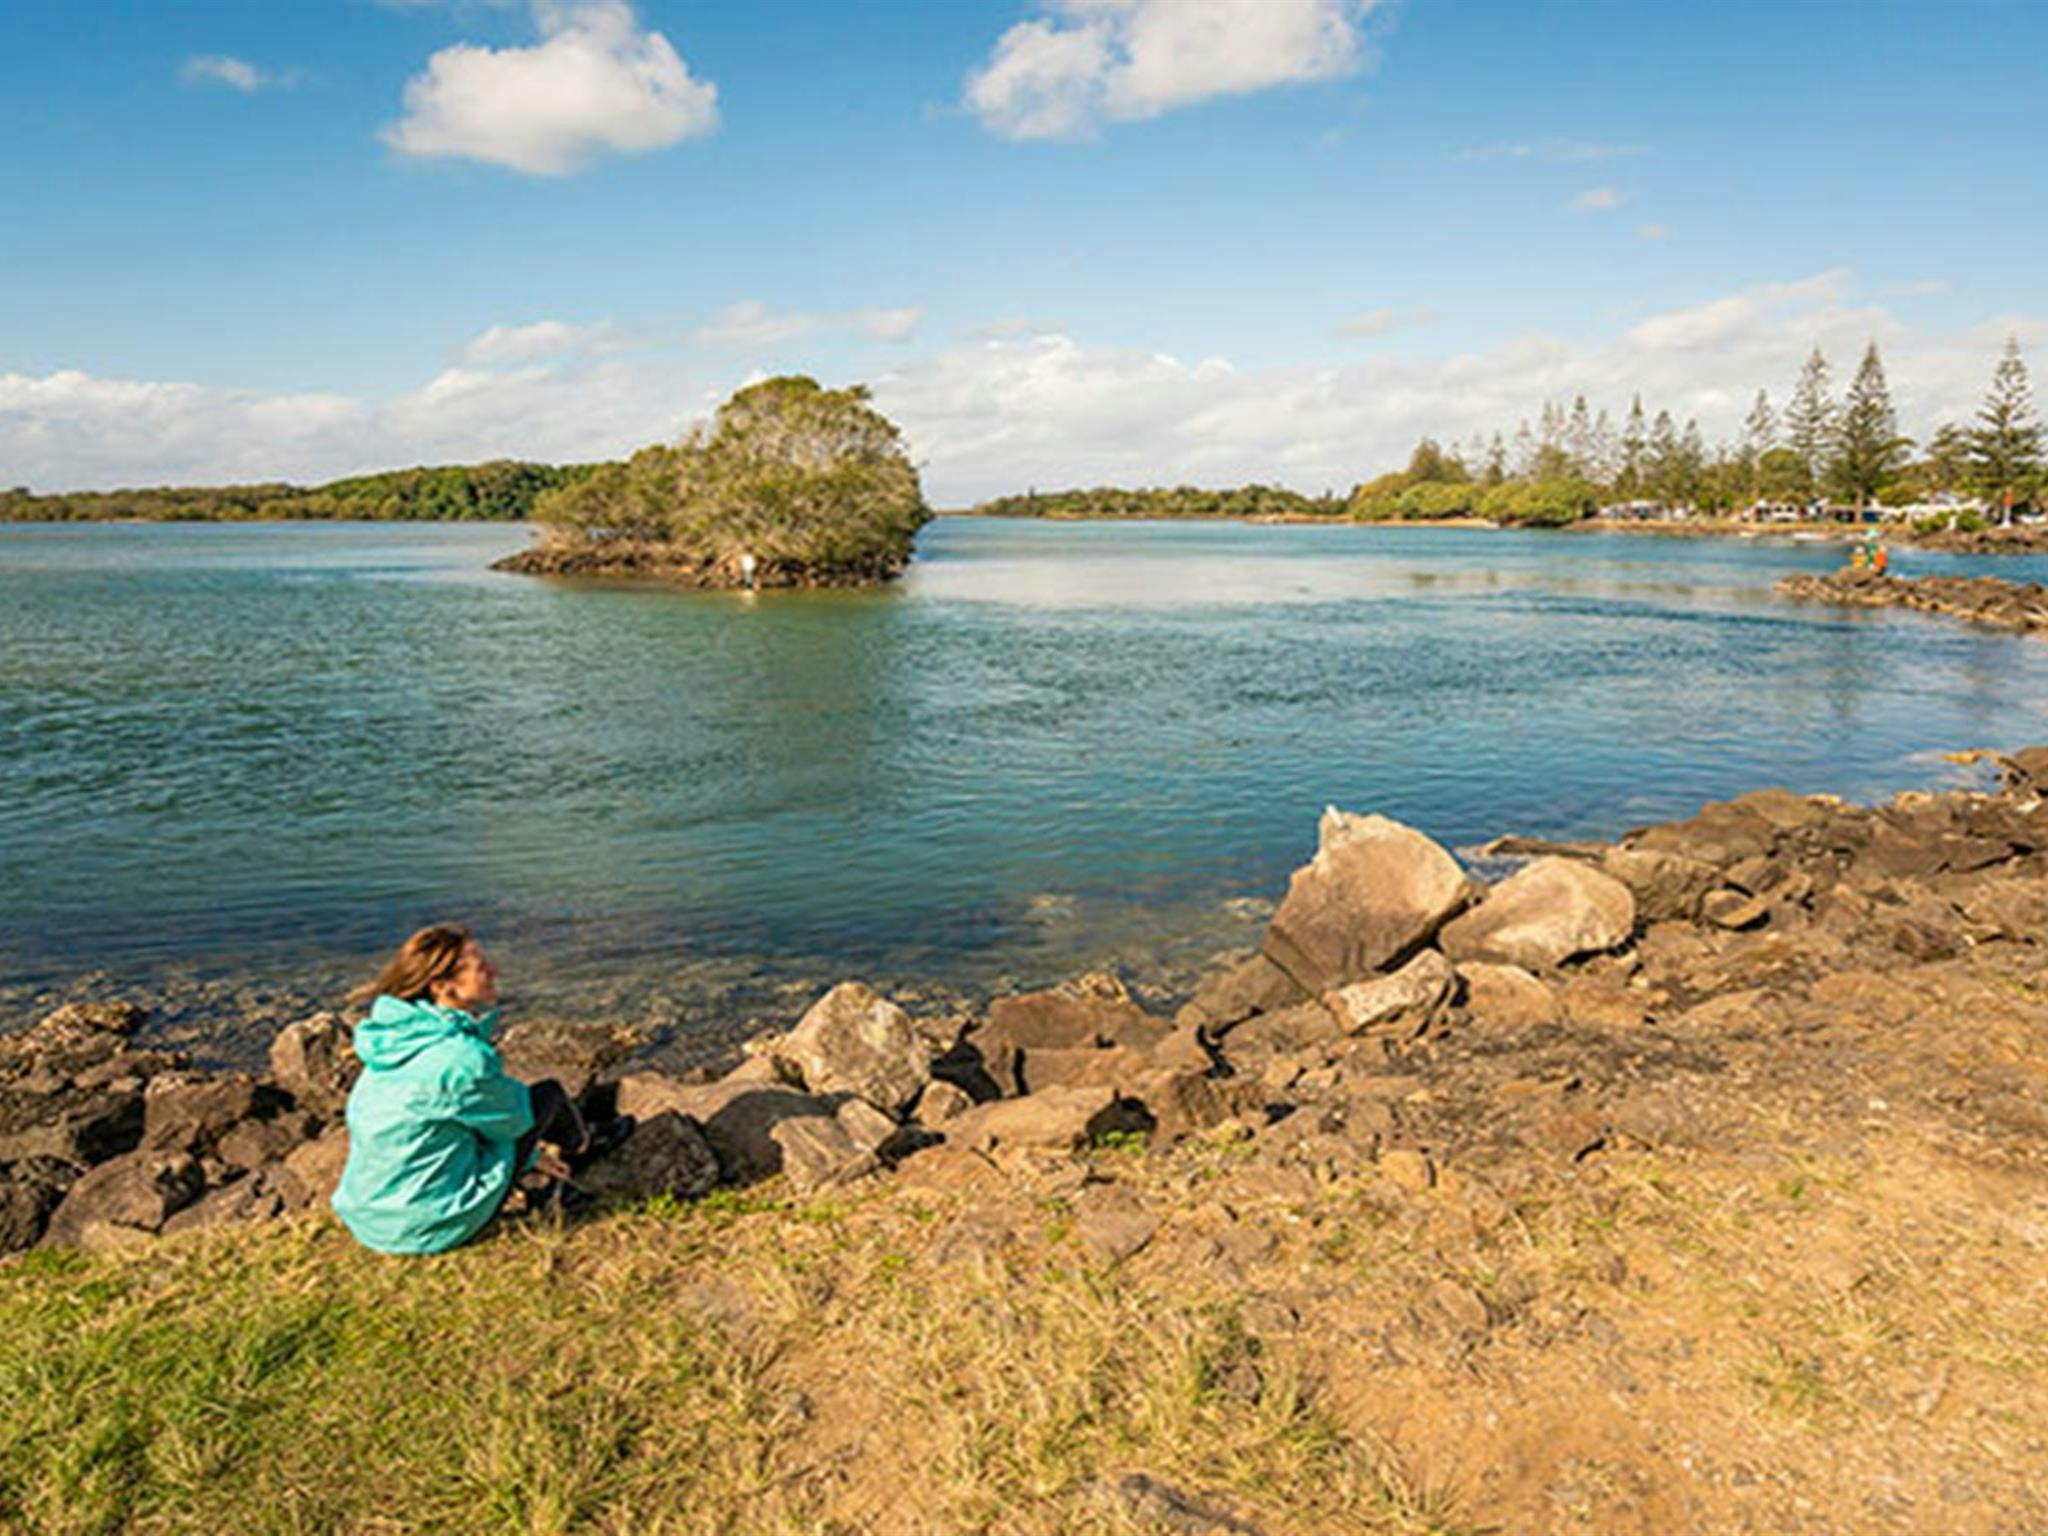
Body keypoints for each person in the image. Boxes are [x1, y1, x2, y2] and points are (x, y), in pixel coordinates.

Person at [332, 924, 596, 1255]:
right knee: (547, 1096)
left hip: (370, 1219)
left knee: (473, 1116)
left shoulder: (390, 1038)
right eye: (483, 967)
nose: (495, 970)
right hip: (428, 1226)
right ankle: (582, 1149)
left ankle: (566, 1154)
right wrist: (531, 1155)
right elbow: (514, 1123)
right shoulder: (462, 1059)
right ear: (443, 986)